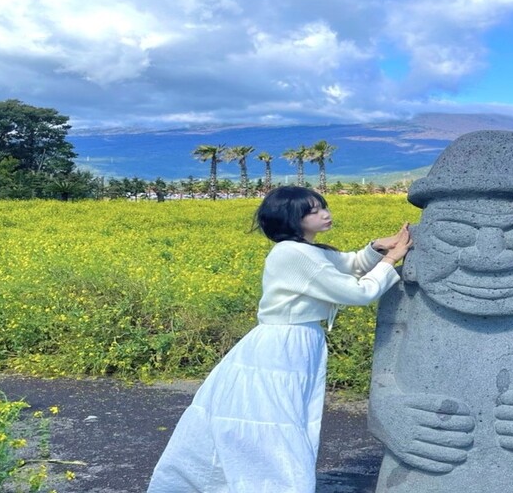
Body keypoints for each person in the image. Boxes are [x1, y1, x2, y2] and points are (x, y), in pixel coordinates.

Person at [147, 186, 412, 493]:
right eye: (312, 211)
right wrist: (391, 259)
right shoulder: (291, 254)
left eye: (322, 206)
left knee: (282, 420)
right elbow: (356, 291)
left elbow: (349, 264)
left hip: (294, 343)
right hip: (282, 347)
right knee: (278, 424)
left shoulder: (307, 250)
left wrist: (378, 247)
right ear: (290, 218)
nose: (324, 213)